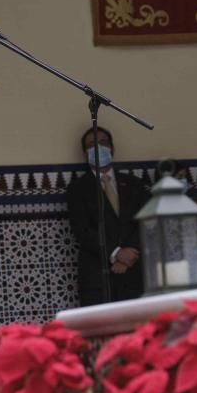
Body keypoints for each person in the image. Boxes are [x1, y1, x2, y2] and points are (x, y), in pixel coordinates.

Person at [66, 126, 149, 306]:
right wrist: (116, 253)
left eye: (103, 142)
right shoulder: (77, 190)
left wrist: (129, 255)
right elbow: (82, 230)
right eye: (91, 145)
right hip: (97, 278)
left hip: (135, 275)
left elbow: (145, 221)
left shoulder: (134, 184)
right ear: (84, 153)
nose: (98, 147)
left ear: (112, 147)